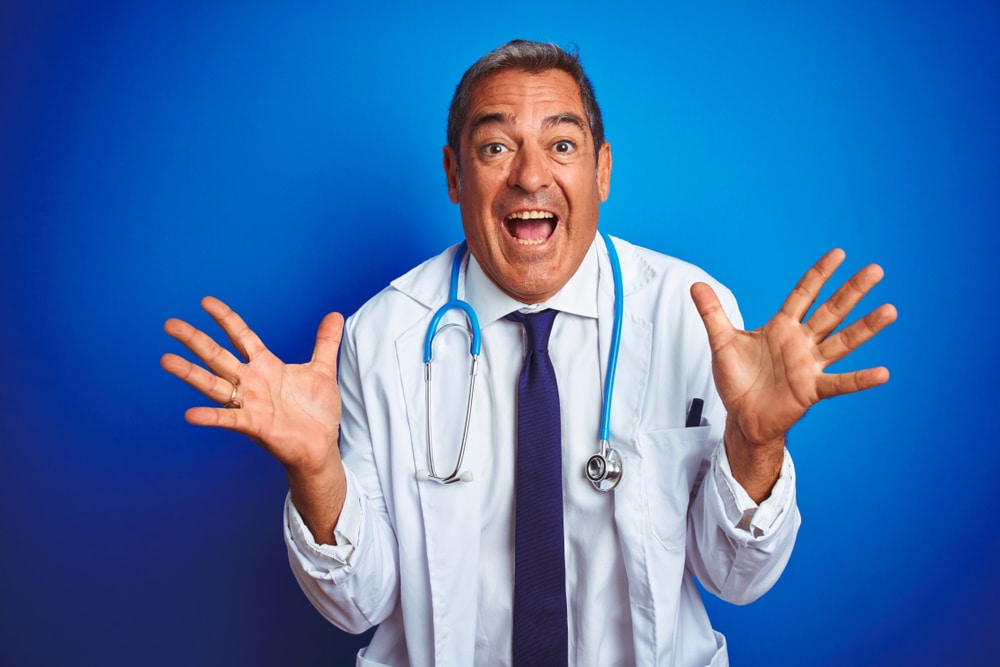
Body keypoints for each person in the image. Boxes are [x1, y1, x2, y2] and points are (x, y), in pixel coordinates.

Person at [161, 40, 896, 666]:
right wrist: (315, 471)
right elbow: (360, 603)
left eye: (562, 144)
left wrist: (756, 443)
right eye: (495, 146)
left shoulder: (692, 312)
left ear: (602, 170)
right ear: (454, 174)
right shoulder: (382, 334)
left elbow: (736, 578)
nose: (530, 175)